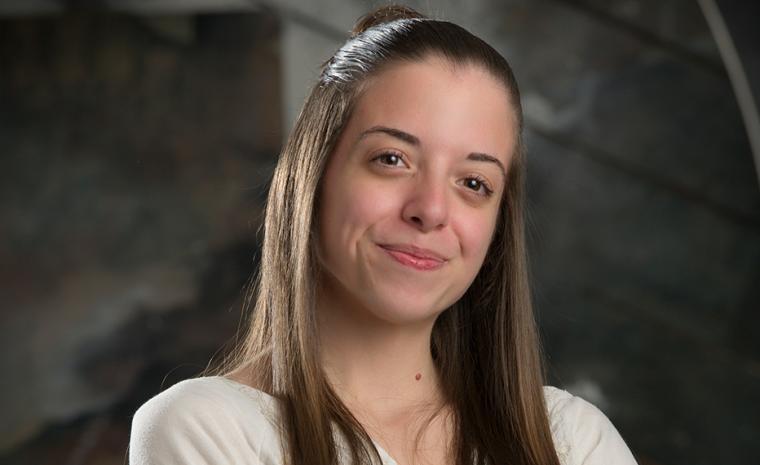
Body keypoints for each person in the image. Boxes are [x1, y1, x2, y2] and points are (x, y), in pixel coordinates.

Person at [128, 4, 639, 465]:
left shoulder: (571, 438)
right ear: (315, 174)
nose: (431, 210)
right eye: (391, 159)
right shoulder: (208, 429)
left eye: (474, 182)